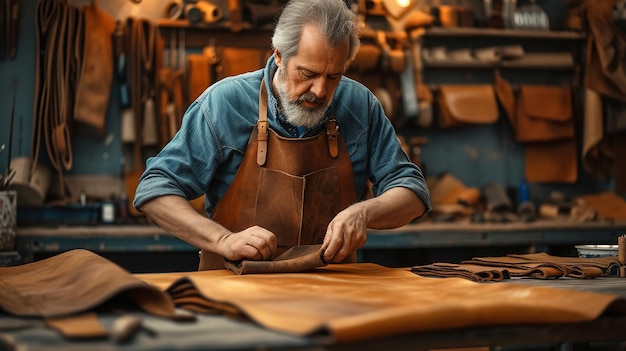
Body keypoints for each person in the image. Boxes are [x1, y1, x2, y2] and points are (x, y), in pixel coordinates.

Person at [133, 0, 431, 270]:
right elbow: (155, 190)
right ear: (279, 55)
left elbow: (413, 192)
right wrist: (223, 239)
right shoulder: (224, 104)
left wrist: (364, 213)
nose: (320, 91)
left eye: (333, 76)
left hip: (335, 290)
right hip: (236, 289)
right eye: (307, 74)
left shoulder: (360, 105)